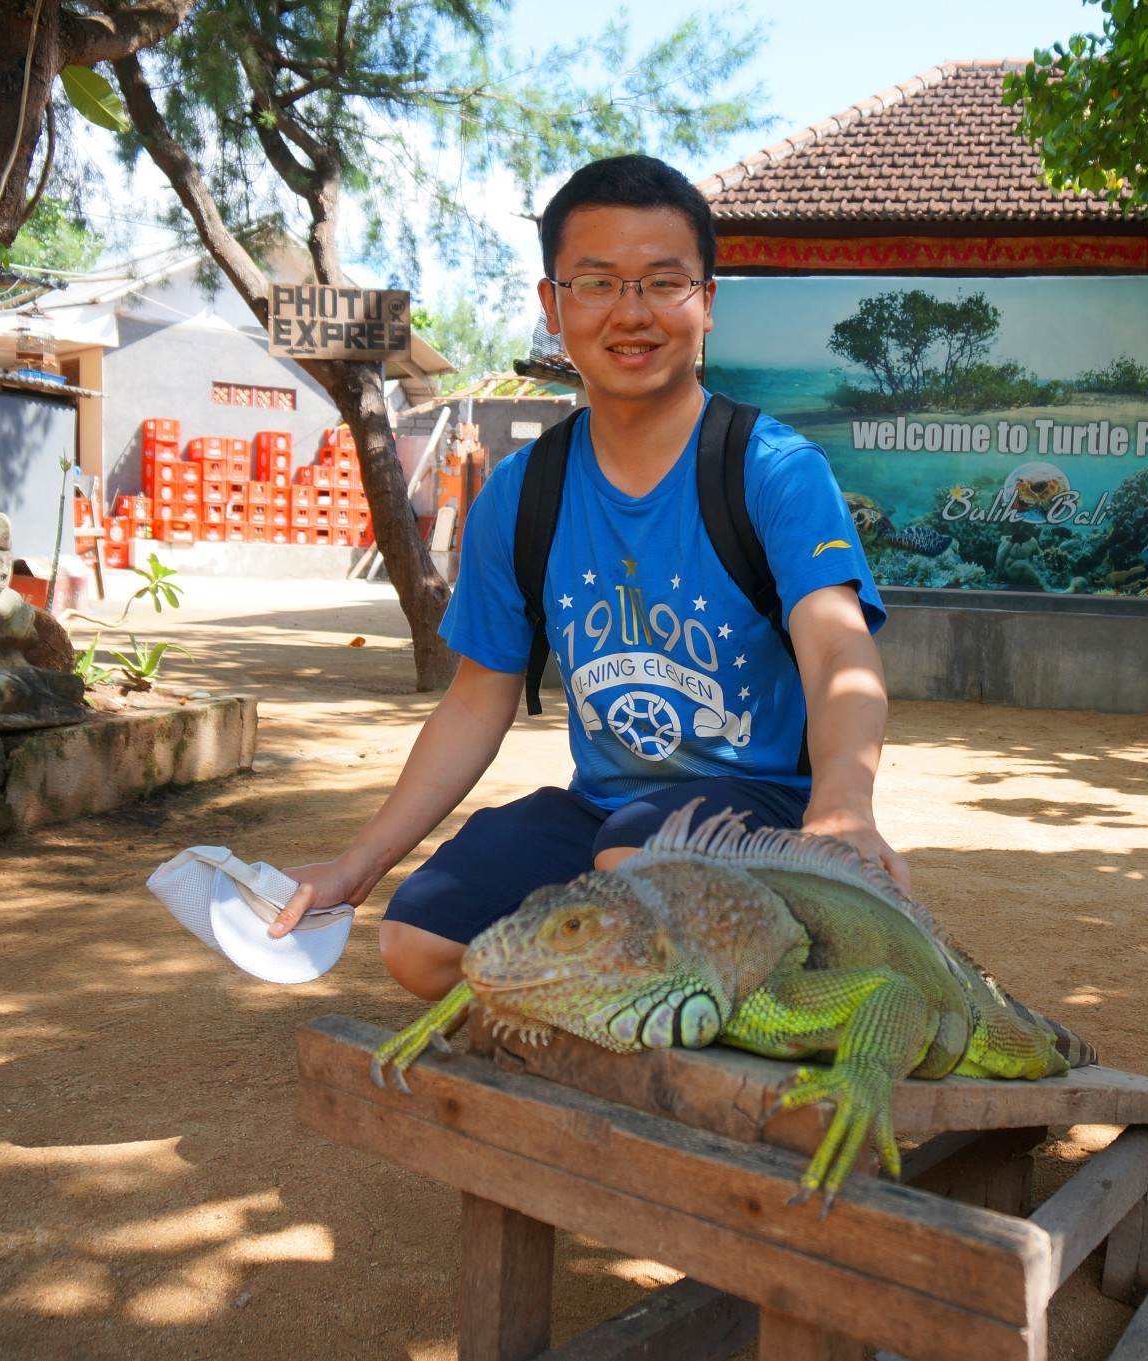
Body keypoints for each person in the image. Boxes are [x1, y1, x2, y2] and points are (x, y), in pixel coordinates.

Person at [273, 155, 902, 1001]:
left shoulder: (774, 472)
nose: (632, 313)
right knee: (420, 945)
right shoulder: (522, 494)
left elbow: (838, 655)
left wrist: (844, 809)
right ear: (554, 306)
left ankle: (771, 964)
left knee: (634, 863)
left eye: (663, 282)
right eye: (598, 283)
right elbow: (474, 698)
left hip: (766, 815)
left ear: (706, 302)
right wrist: (359, 863)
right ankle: (638, 1000)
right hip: (606, 812)